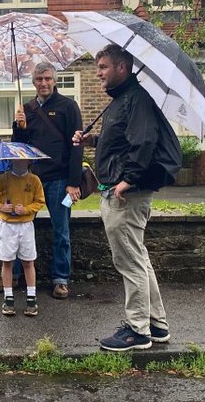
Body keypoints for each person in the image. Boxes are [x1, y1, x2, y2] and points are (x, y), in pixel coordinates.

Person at [73, 44, 180, 352]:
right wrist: (92, 139)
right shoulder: (122, 100)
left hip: (125, 194)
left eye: (103, 67)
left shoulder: (136, 99)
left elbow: (143, 142)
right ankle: (157, 325)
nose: (98, 73)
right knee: (139, 259)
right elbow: (122, 140)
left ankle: (137, 330)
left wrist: (128, 180)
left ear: (122, 68)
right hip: (123, 189)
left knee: (129, 261)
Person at [11, 61, 84, 298]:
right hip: (31, 179)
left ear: (55, 80)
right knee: (17, 226)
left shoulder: (68, 107)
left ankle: (61, 279)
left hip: (60, 180)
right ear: (33, 82)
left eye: (48, 79)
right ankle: (13, 275)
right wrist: (19, 126)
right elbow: (18, 147)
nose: (44, 83)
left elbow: (77, 146)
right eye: (39, 79)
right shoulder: (27, 109)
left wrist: (74, 181)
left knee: (61, 230)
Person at [0, 157, 46, 316]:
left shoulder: (34, 180)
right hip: (7, 226)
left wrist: (26, 210)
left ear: (29, 162)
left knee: (28, 261)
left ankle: (31, 299)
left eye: (22, 161)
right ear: (11, 162)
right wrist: (1, 206)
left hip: (26, 226)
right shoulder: (4, 179)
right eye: (15, 161)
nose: (18, 163)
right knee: (7, 262)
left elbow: (40, 201)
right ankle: (8, 298)